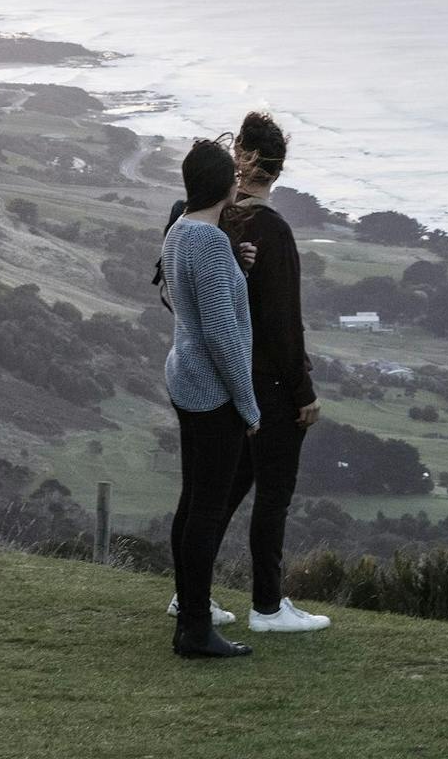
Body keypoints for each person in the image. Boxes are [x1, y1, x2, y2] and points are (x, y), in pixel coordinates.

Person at [215, 111, 330, 634]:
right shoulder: (272, 229)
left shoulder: (214, 218)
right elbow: (283, 321)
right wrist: (304, 391)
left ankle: (191, 591)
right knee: (273, 497)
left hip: (224, 377)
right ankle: (267, 607)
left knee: (221, 494)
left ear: (240, 156)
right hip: (271, 384)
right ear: (274, 166)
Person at [161, 137, 259, 659]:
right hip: (212, 393)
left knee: (191, 504)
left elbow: (197, 300)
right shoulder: (211, 242)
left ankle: (190, 621)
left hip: (185, 379)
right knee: (206, 510)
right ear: (226, 186)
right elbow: (223, 334)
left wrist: (236, 270)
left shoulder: (180, 229)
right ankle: (196, 629)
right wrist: (248, 406)